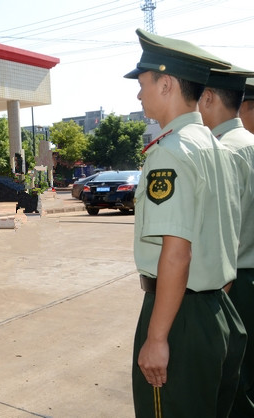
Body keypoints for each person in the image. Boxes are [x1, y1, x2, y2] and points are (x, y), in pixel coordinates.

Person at [124, 29, 246, 417]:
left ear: (167, 83)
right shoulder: (216, 147)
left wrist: (158, 337)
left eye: (143, 84)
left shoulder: (171, 153)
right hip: (218, 309)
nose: (138, 94)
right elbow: (226, 235)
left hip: (180, 317)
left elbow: (177, 254)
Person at [199, 67, 254, 417]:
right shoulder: (248, 144)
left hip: (233, 285)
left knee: (234, 388)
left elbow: (220, 232)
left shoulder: (223, 152)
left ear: (208, 99)